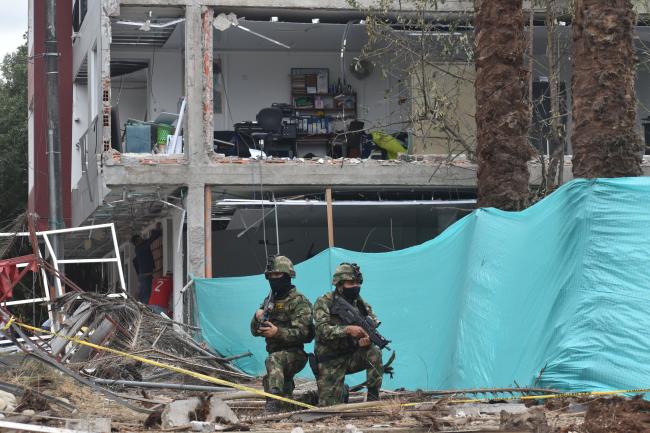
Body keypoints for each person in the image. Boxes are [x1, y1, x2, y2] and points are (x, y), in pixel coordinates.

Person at [313, 263, 383, 406]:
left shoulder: (361, 305)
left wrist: (367, 341)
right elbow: (321, 330)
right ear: (339, 284)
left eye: (357, 283)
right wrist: (347, 330)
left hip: (351, 357)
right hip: (330, 361)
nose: (355, 286)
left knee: (374, 352)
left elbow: (372, 325)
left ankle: (373, 397)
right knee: (329, 408)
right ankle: (342, 391)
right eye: (351, 283)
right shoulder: (324, 302)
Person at [250, 255, 314, 413]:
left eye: (277, 275)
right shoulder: (270, 299)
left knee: (273, 360)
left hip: (295, 354)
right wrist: (257, 318)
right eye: (270, 276)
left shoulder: (299, 301)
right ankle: (314, 398)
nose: (273, 279)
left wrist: (277, 332)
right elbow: (254, 331)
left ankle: (272, 402)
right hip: (276, 359)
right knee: (286, 408)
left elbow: (303, 333)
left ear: (287, 276)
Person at [131, 222, 162, 304]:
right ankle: (144, 313)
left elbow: (148, 241)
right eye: (140, 238)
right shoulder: (140, 248)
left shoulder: (140, 248)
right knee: (146, 297)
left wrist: (155, 232)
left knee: (145, 295)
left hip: (145, 276)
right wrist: (157, 231)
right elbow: (150, 241)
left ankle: (143, 310)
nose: (142, 239)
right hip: (145, 277)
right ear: (137, 241)